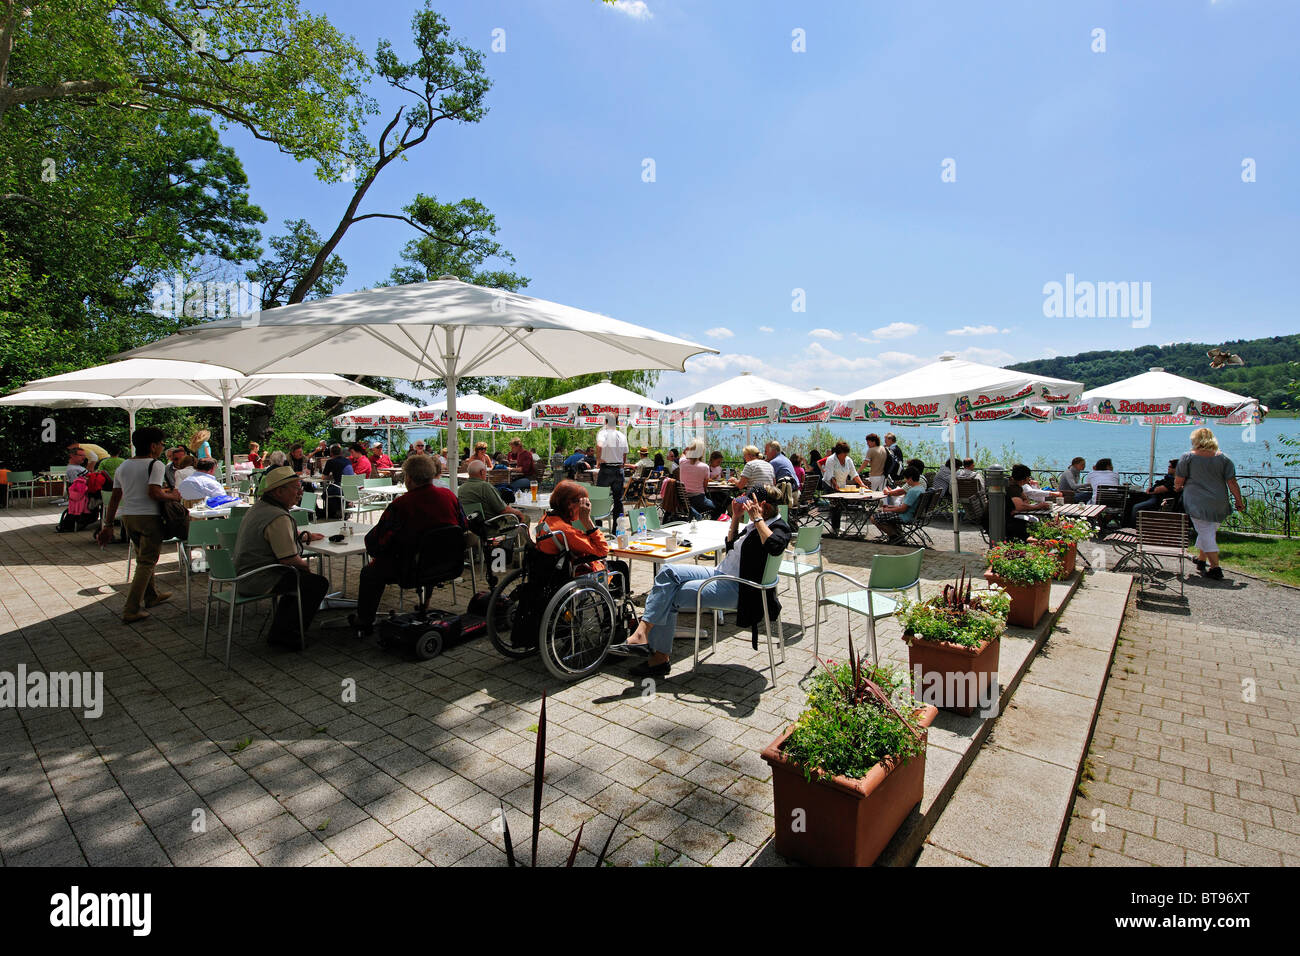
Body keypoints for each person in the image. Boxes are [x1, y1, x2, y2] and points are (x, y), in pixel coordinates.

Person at [607, 484, 794, 677]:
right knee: (668, 572)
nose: (744, 505)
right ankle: (642, 634)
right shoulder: (754, 524)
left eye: (748, 502)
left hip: (742, 590)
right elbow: (730, 547)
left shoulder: (779, 527)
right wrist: (736, 518)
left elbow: (775, 546)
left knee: (670, 594)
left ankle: (658, 657)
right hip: (721, 574)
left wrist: (757, 518)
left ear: (763, 505)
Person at [348, 454, 467, 635]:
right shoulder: (449, 496)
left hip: (410, 568)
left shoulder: (401, 505)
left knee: (370, 572)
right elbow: (463, 525)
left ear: (409, 478)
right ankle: (423, 605)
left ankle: (364, 620)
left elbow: (378, 542)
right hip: (446, 564)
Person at [232, 467, 329, 648]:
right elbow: (289, 559)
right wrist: (306, 568)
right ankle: (286, 635)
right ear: (279, 491)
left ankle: (285, 628)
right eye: (295, 488)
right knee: (315, 583)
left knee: (300, 580)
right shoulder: (277, 516)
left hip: (245, 574)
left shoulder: (260, 507)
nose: (299, 492)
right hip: (260, 578)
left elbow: (275, 536)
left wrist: (303, 536)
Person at [95, 427, 182, 623]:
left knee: (142, 557)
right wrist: (173, 495)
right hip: (149, 517)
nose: (162, 447)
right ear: (153, 446)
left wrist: (108, 524)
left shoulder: (123, 466)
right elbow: (154, 493)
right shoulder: (156, 465)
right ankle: (131, 608)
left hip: (129, 517)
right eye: (161, 444)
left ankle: (151, 595)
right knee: (147, 562)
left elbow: (115, 497)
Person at [1176, 428, 1245, 581]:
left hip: (1196, 502)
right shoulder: (1224, 459)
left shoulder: (1187, 458)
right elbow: (1232, 482)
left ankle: (1215, 568)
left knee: (1206, 532)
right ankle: (1201, 560)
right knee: (1208, 530)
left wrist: (1178, 487)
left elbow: (1179, 482)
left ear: (1195, 440)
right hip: (1219, 502)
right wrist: (1239, 501)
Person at [458, 459, 526, 523]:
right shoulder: (485, 486)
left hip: (470, 526)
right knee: (525, 518)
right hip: (490, 525)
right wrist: (519, 513)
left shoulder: (461, 489)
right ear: (482, 472)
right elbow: (503, 510)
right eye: (485, 471)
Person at [821, 441, 864, 536]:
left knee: (840, 506)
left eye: (846, 454)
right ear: (839, 453)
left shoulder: (848, 460)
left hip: (842, 485)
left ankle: (837, 526)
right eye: (843, 454)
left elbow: (854, 474)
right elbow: (830, 475)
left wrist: (862, 484)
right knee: (835, 505)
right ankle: (834, 527)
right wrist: (835, 485)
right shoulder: (831, 460)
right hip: (830, 484)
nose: (845, 456)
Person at [872, 466, 925, 542]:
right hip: (913, 515)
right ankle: (897, 536)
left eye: (906, 479)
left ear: (910, 478)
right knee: (884, 514)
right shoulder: (921, 488)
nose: (906, 481)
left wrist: (886, 509)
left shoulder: (912, 491)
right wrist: (890, 507)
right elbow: (905, 507)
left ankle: (894, 537)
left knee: (874, 518)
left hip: (905, 517)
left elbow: (902, 509)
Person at [1125, 459, 1181, 526]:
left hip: (1159, 501)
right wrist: (1152, 490)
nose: (1168, 468)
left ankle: (1133, 527)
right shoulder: (1169, 478)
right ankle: (1126, 525)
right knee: (1130, 501)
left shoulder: (1174, 481)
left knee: (1136, 507)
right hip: (1156, 498)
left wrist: (1152, 490)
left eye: (1170, 467)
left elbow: (1160, 489)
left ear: (1175, 469)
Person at [1005, 463, 1053, 540]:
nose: (1029, 479)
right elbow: (1020, 507)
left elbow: (1025, 499)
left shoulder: (1015, 484)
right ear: (1024, 479)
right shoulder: (1012, 487)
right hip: (1005, 520)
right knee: (1034, 522)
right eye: (1029, 477)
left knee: (1035, 520)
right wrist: (1038, 506)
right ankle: (1034, 541)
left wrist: (1023, 504)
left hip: (1009, 515)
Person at [595, 413, 629, 521]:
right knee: (618, 501)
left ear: (605, 422)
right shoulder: (622, 435)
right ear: (617, 422)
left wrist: (598, 459)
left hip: (606, 469)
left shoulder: (603, 433)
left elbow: (599, 445)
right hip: (618, 469)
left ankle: (598, 527)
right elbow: (624, 454)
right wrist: (621, 466)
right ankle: (617, 529)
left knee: (600, 498)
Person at [678, 437, 717, 519]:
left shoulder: (682, 462)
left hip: (683, 501)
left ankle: (693, 513)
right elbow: (705, 486)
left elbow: (683, 454)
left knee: (693, 507)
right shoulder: (704, 467)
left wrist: (686, 450)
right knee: (716, 507)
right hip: (699, 500)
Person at [320, 443, 354, 518]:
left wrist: (330, 476)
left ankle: (333, 511)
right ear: (341, 453)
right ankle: (344, 507)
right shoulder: (347, 461)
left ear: (331, 453)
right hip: (351, 488)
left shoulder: (330, 461)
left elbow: (323, 477)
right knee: (331, 490)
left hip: (340, 487)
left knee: (325, 494)